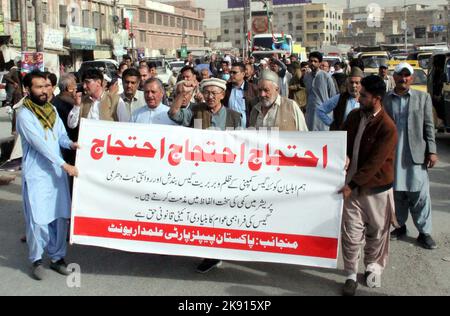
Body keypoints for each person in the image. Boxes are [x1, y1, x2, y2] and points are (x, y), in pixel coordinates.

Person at [16, 71, 79, 280]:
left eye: (46, 86)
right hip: (38, 176)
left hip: (56, 175)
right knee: (38, 221)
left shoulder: (51, 109)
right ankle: (36, 260)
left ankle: (57, 258)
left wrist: (71, 144)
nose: (44, 91)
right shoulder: (25, 115)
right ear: (28, 90)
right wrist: (65, 165)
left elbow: (60, 136)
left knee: (60, 218)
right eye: (38, 87)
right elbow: (40, 145)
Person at [339, 75, 398, 296]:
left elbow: (375, 163)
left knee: (376, 234)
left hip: (376, 189)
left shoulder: (387, 127)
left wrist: (350, 184)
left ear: (377, 98)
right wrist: (340, 156)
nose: (359, 97)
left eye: (363, 95)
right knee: (351, 234)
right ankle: (351, 275)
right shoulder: (355, 116)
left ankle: (372, 267)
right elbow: (340, 139)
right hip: (352, 188)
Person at [384, 63, 439, 250]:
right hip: (393, 154)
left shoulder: (423, 98)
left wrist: (432, 150)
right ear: (394, 77)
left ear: (412, 78)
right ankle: (400, 226)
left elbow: (429, 126)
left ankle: (425, 232)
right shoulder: (386, 99)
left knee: (419, 194)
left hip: (415, 154)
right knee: (397, 192)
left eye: (407, 76)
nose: (403, 79)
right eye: (400, 75)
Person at [169, 78, 241, 131]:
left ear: (222, 95)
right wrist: (182, 93)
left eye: (214, 93)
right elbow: (173, 114)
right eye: (206, 93)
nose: (210, 97)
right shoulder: (195, 111)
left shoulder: (234, 116)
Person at [304, 52, 338, 131]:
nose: (312, 63)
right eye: (311, 61)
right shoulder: (306, 76)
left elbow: (333, 96)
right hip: (310, 112)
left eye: (315, 61)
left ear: (319, 63)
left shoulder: (326, 76)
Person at [52, 73, 81, 166]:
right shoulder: (68, 104)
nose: (77, 87)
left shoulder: (55, 100)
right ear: (69, 88)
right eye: (75, 84)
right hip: (67, 145)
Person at [223, 62, 258, 128]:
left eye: (234, 72)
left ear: (243, 74)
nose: (231, 74)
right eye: (230, 72)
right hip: (229, 128)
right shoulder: (226, 89)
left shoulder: (253, 89)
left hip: (246, 128)